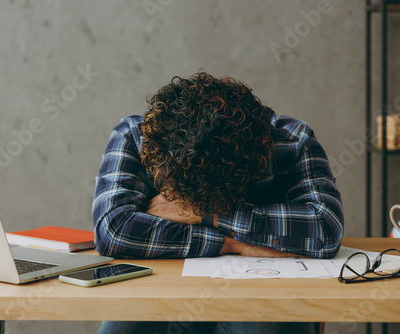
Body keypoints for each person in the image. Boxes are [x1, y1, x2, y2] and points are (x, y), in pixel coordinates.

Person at [93, 72, 344, 333]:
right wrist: (230, 243)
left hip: (260, 291)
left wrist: (206, 216)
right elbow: (113, 230)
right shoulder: (135, 135)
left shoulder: (294, 141)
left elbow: (325, 229)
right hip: (163, 286)